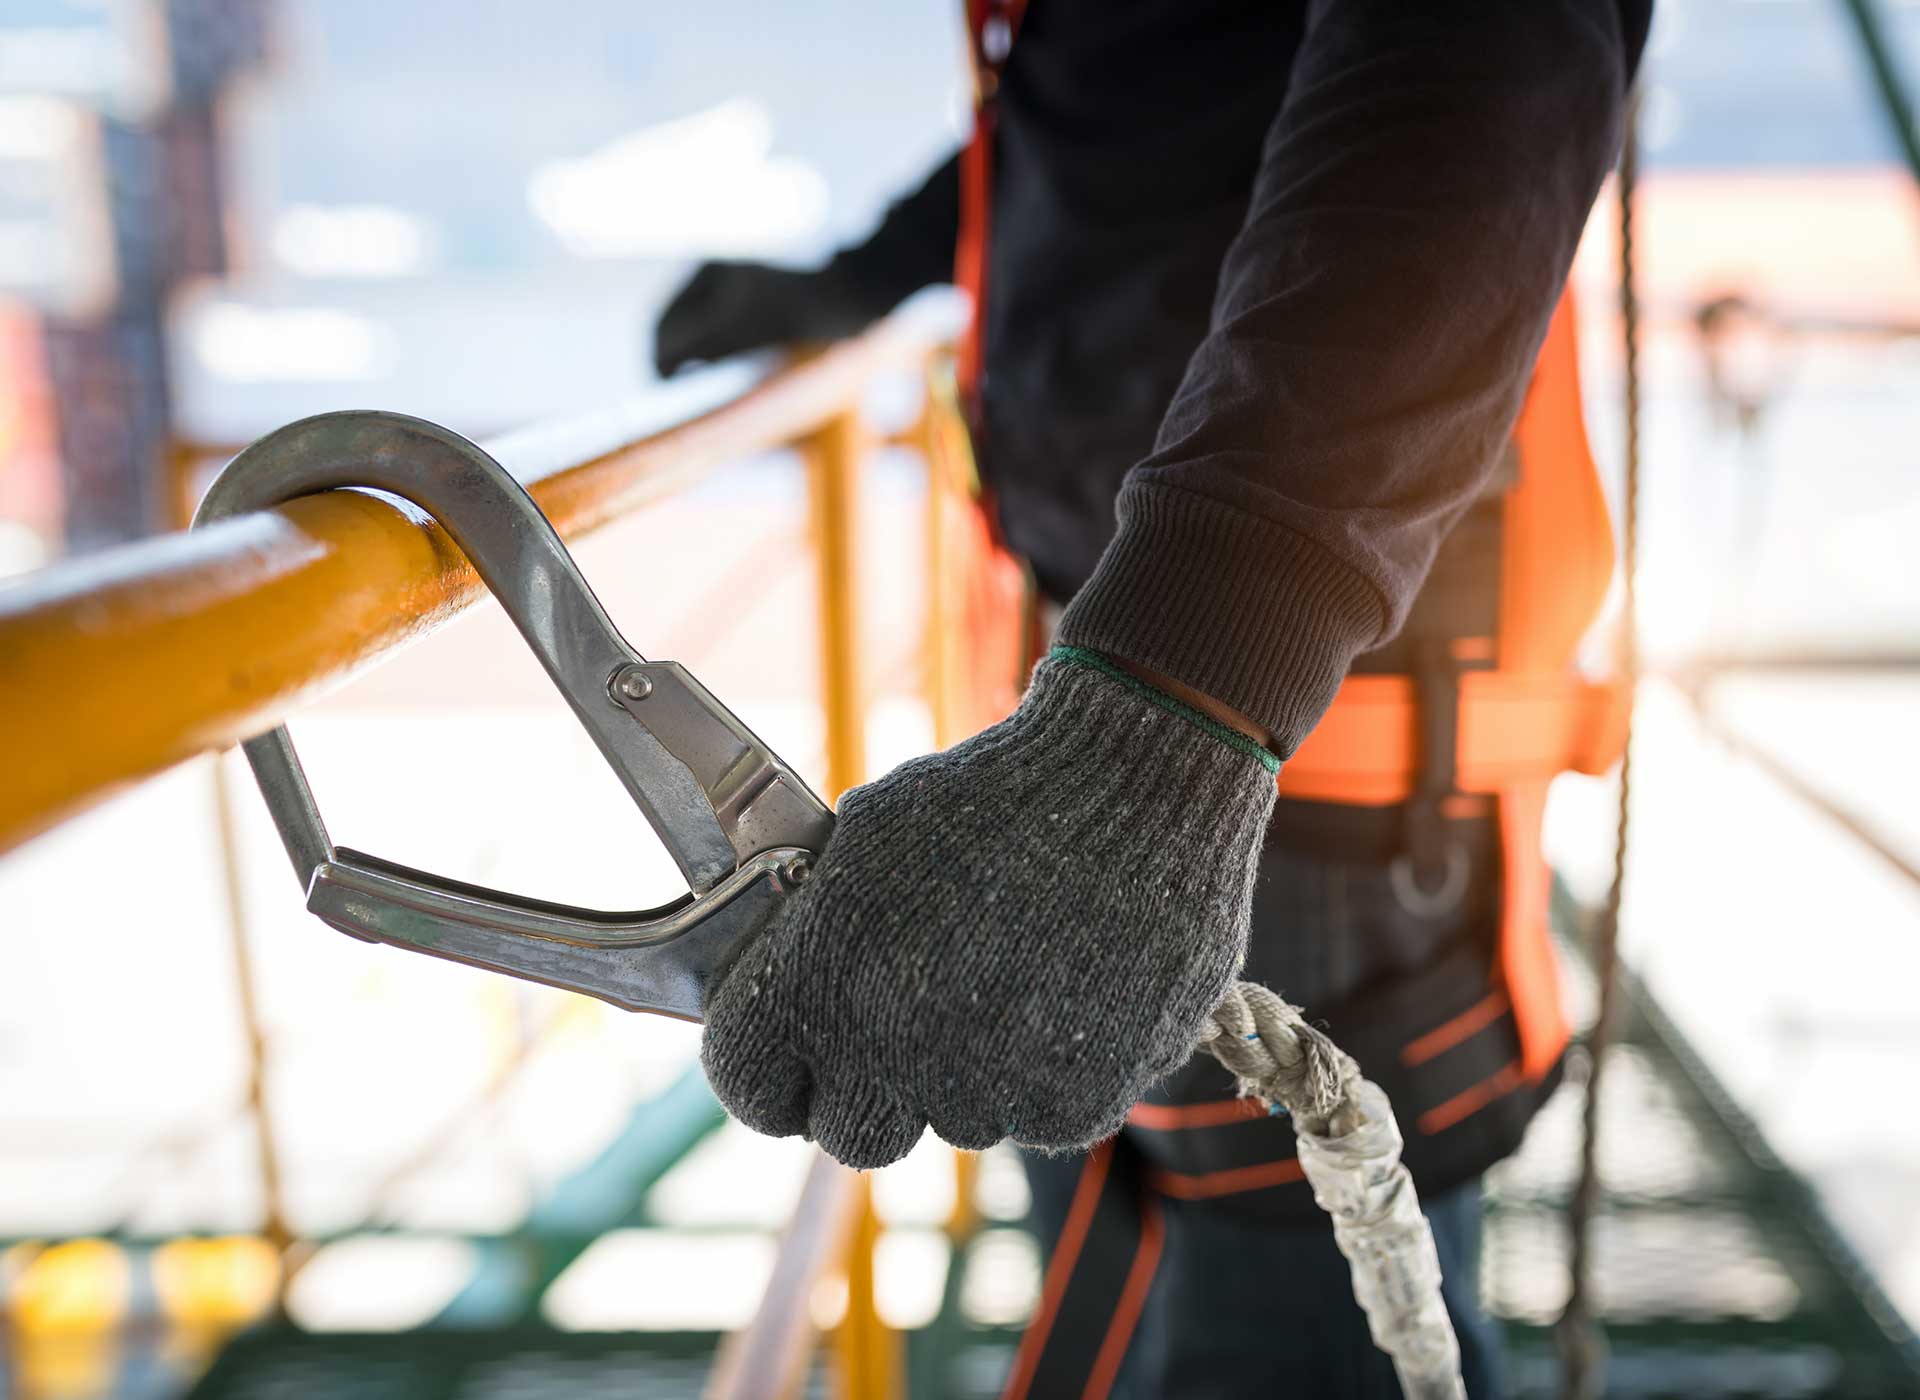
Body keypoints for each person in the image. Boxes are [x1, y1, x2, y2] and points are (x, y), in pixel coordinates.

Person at [657, 4, 1651, 1395]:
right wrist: (869, 274)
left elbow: (1480, 55)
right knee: (1135, 1285)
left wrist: (1177, 706)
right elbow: (1142, 91)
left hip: (1278, 748)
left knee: (1284, 1347)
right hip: (1110, 716)